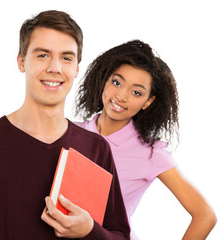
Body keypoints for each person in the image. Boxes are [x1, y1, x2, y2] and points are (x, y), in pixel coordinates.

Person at [0, 10, 130, 239]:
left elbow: (120, 235)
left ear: (77, 68)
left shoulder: (96, 148)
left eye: (66, 58)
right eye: (43, 55)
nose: (55, 68)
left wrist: (90, 230)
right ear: (21, 61)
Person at [75, 40, 217, 239]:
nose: (121, 96)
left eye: (136, 92)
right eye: (117, 82)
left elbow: (205, 216)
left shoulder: (150, 153)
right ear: (105, 80)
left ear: (147, 102)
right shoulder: (69, 132)